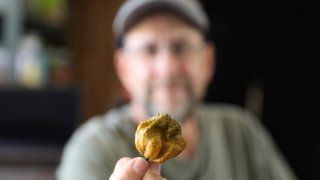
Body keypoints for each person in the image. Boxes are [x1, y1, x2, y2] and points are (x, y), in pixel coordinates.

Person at [56, 0, 297, 179]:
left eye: (181, 47)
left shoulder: (243, 133)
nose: (167, 68)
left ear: (208, 62)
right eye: (149, 50)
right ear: (124, 68)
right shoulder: (93, 149)